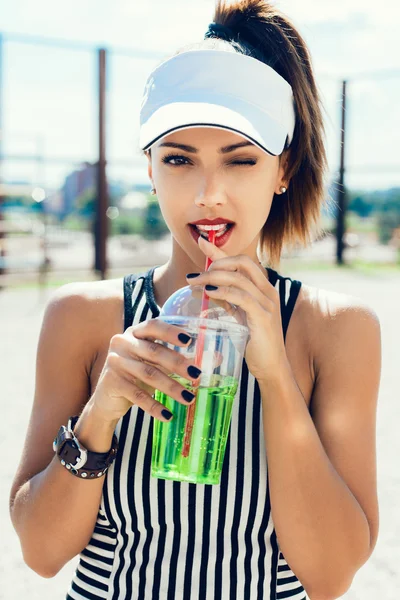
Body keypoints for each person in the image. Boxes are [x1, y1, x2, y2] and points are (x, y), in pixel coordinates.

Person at [9, 1, 382, 599]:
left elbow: (330, 575)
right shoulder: (83, 318)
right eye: (179, 159)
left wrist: (277, 380)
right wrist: (101, 413)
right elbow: (42, 554)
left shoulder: (336, 330)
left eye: (240, 160)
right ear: (151, 170)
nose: (210, 194)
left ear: (281, 170)